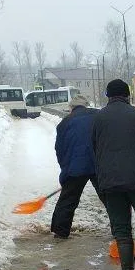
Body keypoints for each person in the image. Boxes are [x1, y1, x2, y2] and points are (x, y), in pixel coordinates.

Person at [91, 78, 135, 270]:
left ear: (108, 96)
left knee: (121, 226)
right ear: (128, 95)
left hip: (110, 181)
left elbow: (95, 150)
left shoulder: (98, 119)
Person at [50, 95, 99, 239]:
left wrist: (65, 168)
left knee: (68, 200)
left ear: (72, 108)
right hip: (98, 164)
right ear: (86, 105)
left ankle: (60, 231)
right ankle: (120, 231)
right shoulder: (97, 116)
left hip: (75, 167)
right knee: (110, 199)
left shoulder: (65, 122)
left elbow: (60, 148)